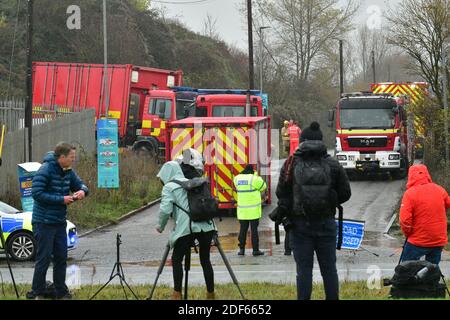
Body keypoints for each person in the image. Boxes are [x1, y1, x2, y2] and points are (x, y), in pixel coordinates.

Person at [276, 122, 351, 300]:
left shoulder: (291, 163)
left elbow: (281, 192)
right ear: (321, 141)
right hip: (326, 223)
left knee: (304, 270)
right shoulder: (332, 164)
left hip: (300, 225)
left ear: (302, 141)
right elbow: (346, 193)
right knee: (329, 270)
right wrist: (331, 199)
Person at [31, 142, 89, 300]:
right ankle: (37, 292)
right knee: (43, 259)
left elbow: (81, 185)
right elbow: (36, 193)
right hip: (43, 222)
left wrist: (82, 191)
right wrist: (60, 199)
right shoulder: (45, 170)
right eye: (71, 157)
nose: (73, 160)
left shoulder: (68, 171)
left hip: (59, 221)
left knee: (61, 258)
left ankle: (60, 292)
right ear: (62, 157)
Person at [156, 161, 217, 300]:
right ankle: (210, 294)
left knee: (177, 259)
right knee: (205, 260)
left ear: (166, 174)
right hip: (206, 226)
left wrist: (160, 226)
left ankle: (177, 294)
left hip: (186, 228)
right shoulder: (192, 182)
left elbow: (165, 210)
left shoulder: (169, 187)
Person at [399, 164, 450, 265]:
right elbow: (448, 203)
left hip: (418, 240)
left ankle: (411, 280)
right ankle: (431, 280)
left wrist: (408, 234)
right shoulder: (439, 189)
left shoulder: (409, 194)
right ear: (427, 174)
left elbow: (405, 221)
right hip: (438, 239)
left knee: (407, 267)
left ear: (411, 176)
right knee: (432, 268)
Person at [233, 164, 267, 256]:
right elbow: (263, 186)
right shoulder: (254, 179)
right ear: (252, 171)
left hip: (242, 211)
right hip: (253, 211)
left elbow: (236, 187)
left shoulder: (237, 178)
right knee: (254, 231)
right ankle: (255, 250)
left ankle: (241, 250)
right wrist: (256, 175)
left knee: (243, 230)